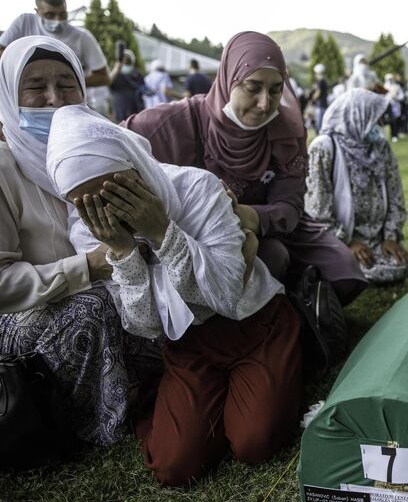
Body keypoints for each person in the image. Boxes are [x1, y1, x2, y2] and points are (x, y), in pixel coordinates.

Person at [44, 101, 299, 486]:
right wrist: (126, 254)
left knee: (254, 443)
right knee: (175, 467)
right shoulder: (88, 229)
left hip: (255, 324)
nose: (107, 211)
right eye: (89, 203)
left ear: (134, 165)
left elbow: (226, 295)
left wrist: (163, 232)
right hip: (191, 344)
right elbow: (145, 327)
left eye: (116, 191)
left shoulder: (197, 188)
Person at [123, 32, 367, 305]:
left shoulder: (287, 131)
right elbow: (113, 141)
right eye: (253, 87)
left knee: (345, 272)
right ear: (229, 79)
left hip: (269, 221)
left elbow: (289, 205)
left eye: (276, 89)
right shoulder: (177, 122)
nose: (265, 104)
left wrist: (246, 216)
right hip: (198, 231)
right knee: (271, 257)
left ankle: (295, 294)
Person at [0, 36, 161, 448]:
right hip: (25, 315)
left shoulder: (91, 148)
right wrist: (88, 266)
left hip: (103, 285)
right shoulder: (4, 167)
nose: (55, 100)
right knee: (93, 308)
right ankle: (92, 423)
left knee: (150, 294)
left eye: (66, 84)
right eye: (35, 87)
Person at [306, 89, 408, 284]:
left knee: (399, 265)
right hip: (340, 241)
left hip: (378, 240)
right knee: (355, 270)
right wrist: (347, 243)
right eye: (374, 119)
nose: (379, 126)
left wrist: (390, 237)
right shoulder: (323, 148)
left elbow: (396, 194)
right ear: (356, 116)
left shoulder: (380, 146)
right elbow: (317, 210)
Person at [0, 0, 110, 89]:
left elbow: (104, 77)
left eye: (63, 14)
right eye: (50, 15)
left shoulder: (82, 37)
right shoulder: (24, 23)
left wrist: (68, 83)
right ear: (38, 12)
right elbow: (2, 51)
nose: (57, 20)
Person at [109, 49, 144, 122]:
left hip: (135, 113)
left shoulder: (137, 74)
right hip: (119, 111)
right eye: (124, 62)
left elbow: (142, 89)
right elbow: (109, 83)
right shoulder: (115, 74)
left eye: (128, 62)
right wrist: (116, 70)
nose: (125, 64)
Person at [384, 73, 404, 142]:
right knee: (390, 121)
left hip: (396, 105)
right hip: (388, 105)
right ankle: (392, 134)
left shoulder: (397, 86)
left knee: (396, 120)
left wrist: (396, 98)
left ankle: (395, 134)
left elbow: (401, 95)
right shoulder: (384, 86)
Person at [310, 63, 329, 134]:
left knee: (319, 125)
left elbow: (318, 93)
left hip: (320, 105)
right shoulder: (324, 81)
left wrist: (312, 99)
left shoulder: (321, 81)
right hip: (323, 105)